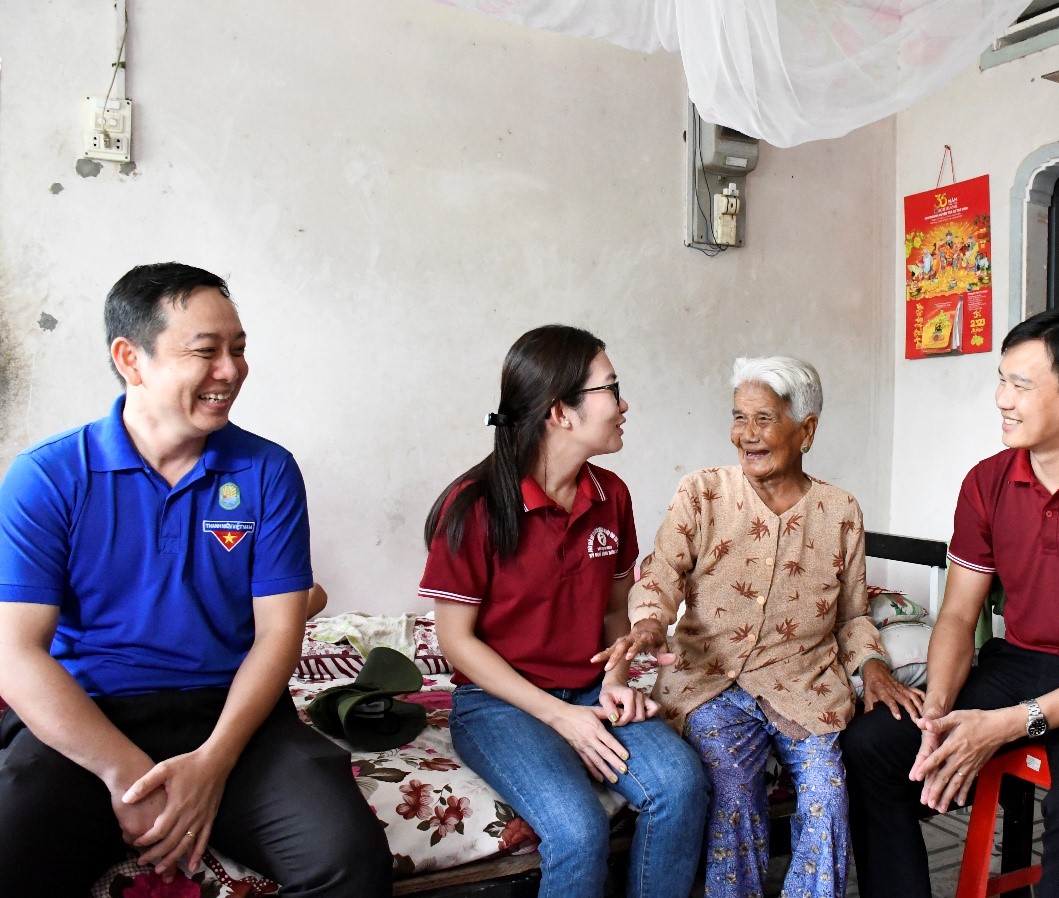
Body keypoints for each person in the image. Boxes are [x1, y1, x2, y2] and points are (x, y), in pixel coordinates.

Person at [0, 263, 392, 895]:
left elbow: (278, 634)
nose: (230, 371)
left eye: (238, 349)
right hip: (89, 719)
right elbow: (15, 653)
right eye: (206, 351)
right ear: (131, 359)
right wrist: (127, 775)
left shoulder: (267, 471)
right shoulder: (48, 477)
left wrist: (212, 766)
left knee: (348, 859)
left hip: (230, 715)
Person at [842, 309, 1059, 898]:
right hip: (1017, 663)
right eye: (1001, 380)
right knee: (870, 747)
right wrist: (937, 715)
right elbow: (958, 615)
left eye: (1021, 385)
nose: (1002, 399)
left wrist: (1008, 724)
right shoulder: (988, 482)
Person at [602, 357, 920, 898]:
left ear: (806, 430)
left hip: (804, 685)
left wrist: (873, 666)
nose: (746, 434)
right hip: (710, 682)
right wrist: (650, 623)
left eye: (763, 419)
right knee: (733, 787)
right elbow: (661, 573)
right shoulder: (702, 492)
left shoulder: (841, 511)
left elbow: (852, 615)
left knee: (828, 793)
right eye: (738, 417)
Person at [418, 325, 708, 898]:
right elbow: (456, 641)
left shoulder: (611, 495)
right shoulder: (474, 506)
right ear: (560, 412)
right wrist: (559, 716)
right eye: (610, 389)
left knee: (681, 786)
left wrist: (616, 680)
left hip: (589, 688)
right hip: (499, 704)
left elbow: (614, 612)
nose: (624, 404)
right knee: (578, 830)